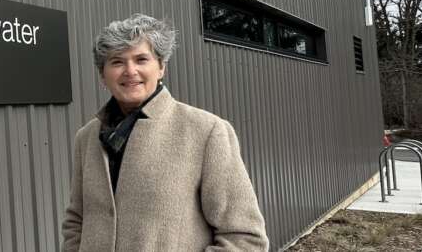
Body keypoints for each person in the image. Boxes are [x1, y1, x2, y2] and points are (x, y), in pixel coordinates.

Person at [61, 14, 268, 251]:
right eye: (117, 62)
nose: (130, 71)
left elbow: (245, 239)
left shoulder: (206, 131)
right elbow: (76, 220)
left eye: (141, 59)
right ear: (102, 75)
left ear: (161, 67)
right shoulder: (86, 137)